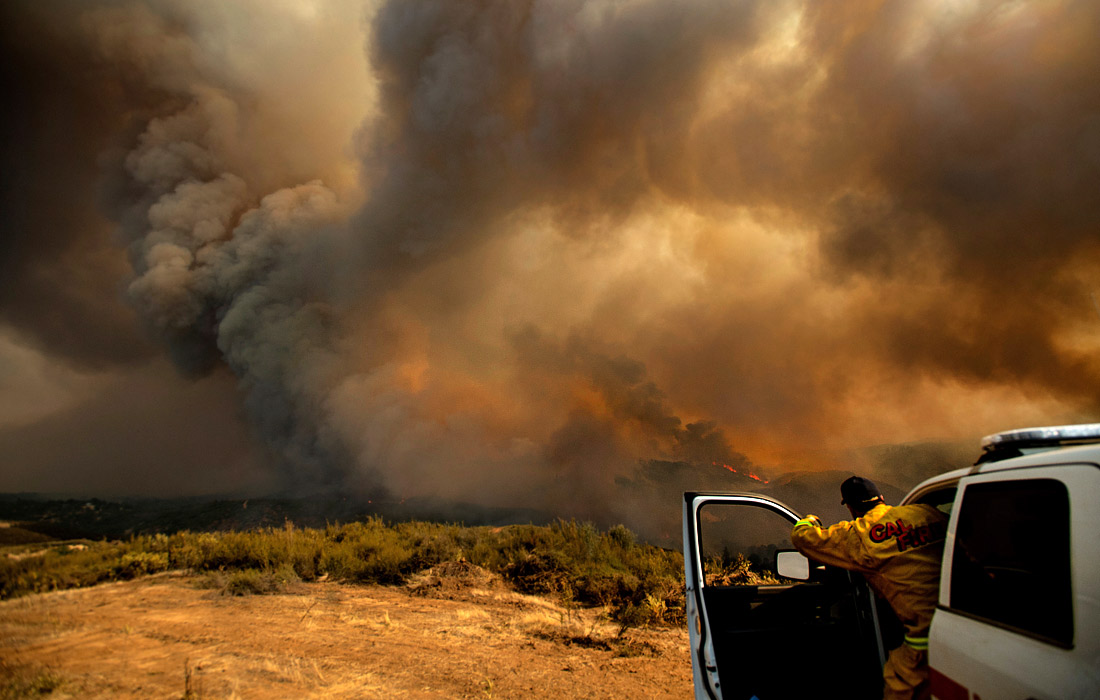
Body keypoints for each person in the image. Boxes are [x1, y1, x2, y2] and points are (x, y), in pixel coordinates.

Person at [790, 476, 948, 700]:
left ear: (851, 508)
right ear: (882, 498)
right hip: (971, 619)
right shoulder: (924, 512)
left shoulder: (859, 535)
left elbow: (802, 538)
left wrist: (809, 519)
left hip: (926, 641)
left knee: (897, 687)